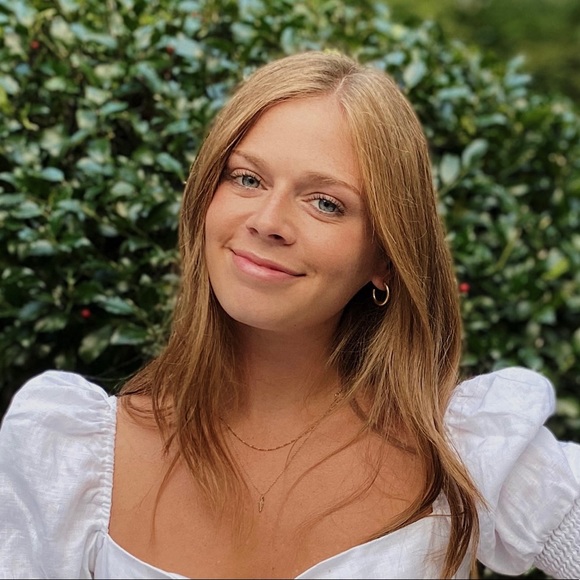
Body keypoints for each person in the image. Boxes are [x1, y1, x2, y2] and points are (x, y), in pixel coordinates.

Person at [0, 51, 578, 580]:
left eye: (326, 203)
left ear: (385, 258)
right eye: (247, 178)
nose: (268, 221)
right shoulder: (70, 461)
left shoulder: (467, 452)